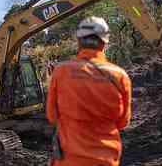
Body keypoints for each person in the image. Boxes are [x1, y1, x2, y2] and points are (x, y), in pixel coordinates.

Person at [46, 16, 132, 166]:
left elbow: (52, 116)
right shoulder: (120, 76)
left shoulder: (61, 72)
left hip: (70, 160)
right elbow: (123, 122)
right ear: (105, 42)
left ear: (79, 41)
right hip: (106, 159)